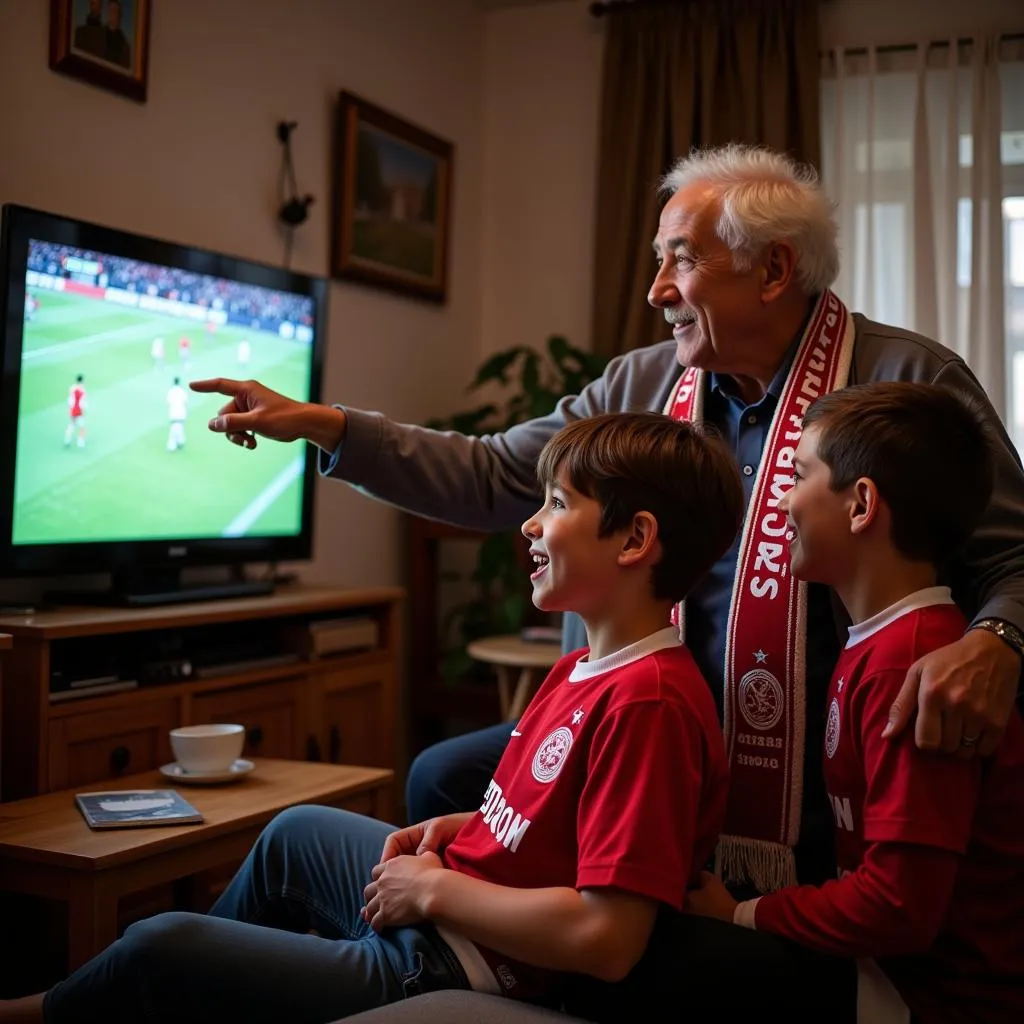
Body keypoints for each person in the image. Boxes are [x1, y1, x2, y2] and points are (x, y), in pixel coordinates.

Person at [189, 143, 1024, 1011]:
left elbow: (1015, 553)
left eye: (680, 261)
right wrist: (325, 426)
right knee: (443, 774)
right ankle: (409, 978)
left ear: (774, 270)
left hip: (815, 752)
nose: (657, 291)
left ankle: (429, 972)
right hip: (646, 713)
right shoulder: (644, 379)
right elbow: (489, 474)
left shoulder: (906, 385)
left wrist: (999, 638)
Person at [1, 412, 744, 1022]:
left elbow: (608, 936)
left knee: (159, 944)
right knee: (293, 833)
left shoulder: (648, 702)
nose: (529, 525)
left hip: (449, 960)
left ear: (635, 540)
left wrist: (432, 890)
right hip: (446, 909)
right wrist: (460, 831)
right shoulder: (582, 665)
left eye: (556, 503)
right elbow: (551, 827)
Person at [686, 381, 1024, 1023]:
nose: (779, 500)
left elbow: (899, 909)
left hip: (931, 998)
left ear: (861, 504)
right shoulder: (878, 640)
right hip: (891, 971)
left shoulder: (910, 665)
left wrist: (742, 913)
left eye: (798, 475)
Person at [102, 0, 131, 70]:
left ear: (120, 15)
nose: (114, 14)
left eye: (116, 11)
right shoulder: (100, 34)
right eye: (112, 11)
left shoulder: (124, 42)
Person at [63, 374, 86, 448]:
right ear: (82, 381)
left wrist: (69, 409)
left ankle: (67, 440)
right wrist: (82, 411)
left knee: (72, 425)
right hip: (78, 410)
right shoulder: (82, 390)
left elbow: (70, 400)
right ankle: (80, 441)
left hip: (72, 410)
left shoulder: (72, 388)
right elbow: (81, 403)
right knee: (82, 426)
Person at [166, 376, 188, 451]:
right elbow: (185, 402)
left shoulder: (171, 391)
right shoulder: (182, 391)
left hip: (173, 413)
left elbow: (168, 402)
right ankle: (179, 441)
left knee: (174, 429)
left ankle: (172, 445)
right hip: (181, 413)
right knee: (179, 428)